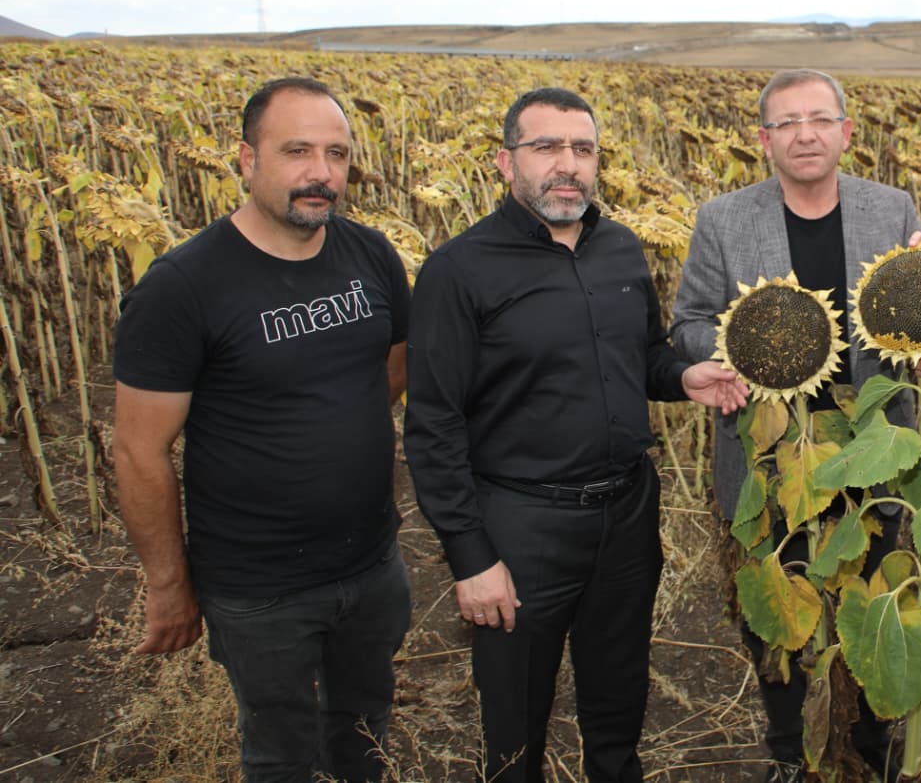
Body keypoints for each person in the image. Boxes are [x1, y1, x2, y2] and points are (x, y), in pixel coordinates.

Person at [403, 86, 746, 783]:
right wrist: (472, 559)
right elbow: (431, 424)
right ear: (506, 163)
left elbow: (642, 354)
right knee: (514, 725)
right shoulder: (458, 271)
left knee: (618, 706)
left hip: (626, 516)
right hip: (522, 527)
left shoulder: (620, 248)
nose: (568, 165)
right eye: (547, 148)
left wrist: (683, 378)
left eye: (583, 150)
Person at [113, 77, 412, 783]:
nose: (321, 174)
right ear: (245, 160)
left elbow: (391, 372)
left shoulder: (371, 256)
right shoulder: (183, 286)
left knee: (365, 729)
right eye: (297, 151)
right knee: (280, 751)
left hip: (372, 563)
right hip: (260, 586)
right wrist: (167, 584)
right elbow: (139, 448)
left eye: (337, 154)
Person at [670, 68, 921, 782]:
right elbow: (687, 322)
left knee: (870, 605)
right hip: (767, 449)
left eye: (818, 119)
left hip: (870, 447)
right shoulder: (724, 219)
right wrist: (737, 355)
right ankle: (789, 746)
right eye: (786, 123)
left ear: (846, 131)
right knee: (775, 611)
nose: (804, 134)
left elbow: (920, 323)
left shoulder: (892, 210)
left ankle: (864, 747)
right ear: (764, 140)